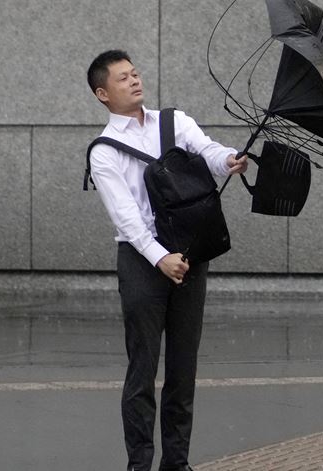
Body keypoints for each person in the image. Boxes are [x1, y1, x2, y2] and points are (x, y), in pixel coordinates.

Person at [86, 50, 248, 471]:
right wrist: (160, 258)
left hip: (190, 254)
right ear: (103, 94)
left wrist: (229, 161)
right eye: (123, 78)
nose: (135, 81)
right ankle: (139, 464)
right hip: (142, 262)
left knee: (183, 369)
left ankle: (177, 463)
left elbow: (208, 150)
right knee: (142, 372)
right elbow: (125, 216)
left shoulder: (175, 123)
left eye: (135, 73)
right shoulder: (103, 152)